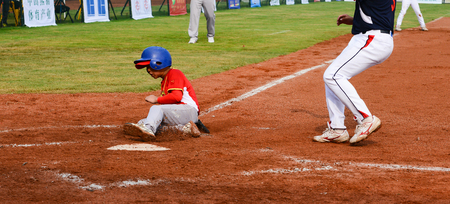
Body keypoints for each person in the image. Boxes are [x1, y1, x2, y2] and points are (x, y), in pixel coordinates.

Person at [313, 0, 396, 144]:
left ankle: (365, 119)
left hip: (373, 39)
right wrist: (354, 20)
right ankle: (337, 129)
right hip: (374, 36)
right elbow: (376, 13)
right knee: (332, 75)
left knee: (333, 76)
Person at [123, 46, 202, 141]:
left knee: (156, 109)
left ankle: (149, 129)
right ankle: (185, 129)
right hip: (180, 114)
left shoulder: (175, 73)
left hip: (188, 110)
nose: (148, 70)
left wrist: (157, 99)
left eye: (149, 66)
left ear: (158, 63)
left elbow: (177, 97)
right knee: (143, 122)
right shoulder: (165, 80)